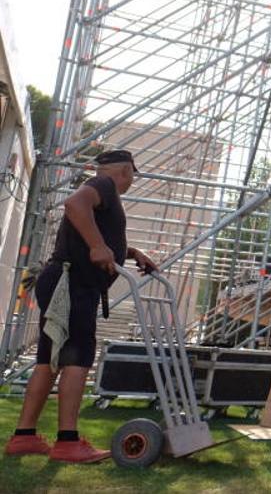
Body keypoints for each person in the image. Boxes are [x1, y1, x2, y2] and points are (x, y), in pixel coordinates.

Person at [5, 150, 158, 463]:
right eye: (131, 176)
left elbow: (90, 230)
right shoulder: (103, 185)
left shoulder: (103, 191)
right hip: (72, 284)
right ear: (127, 172)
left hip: (66, 280)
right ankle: (67, 441)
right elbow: (75, 205)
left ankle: (24, 436)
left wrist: (129, 252)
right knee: (78, 356)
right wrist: (98, 246)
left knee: (50, 359)